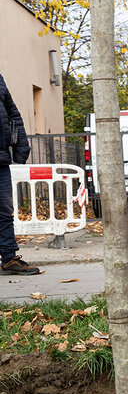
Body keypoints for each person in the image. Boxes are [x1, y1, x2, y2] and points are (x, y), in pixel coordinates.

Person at [0, 73, 40, 276]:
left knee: (4, 210)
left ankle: (9, 259)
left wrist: (21, 148)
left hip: (0, 159)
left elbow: (12, 114)